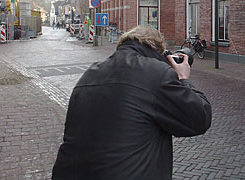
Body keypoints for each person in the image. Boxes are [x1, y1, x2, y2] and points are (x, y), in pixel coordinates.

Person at [52, 26, 212, 180]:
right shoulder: (156, 73)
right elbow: (199, 118)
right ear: (157, 49)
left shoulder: (89, 74)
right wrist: (183, 79)